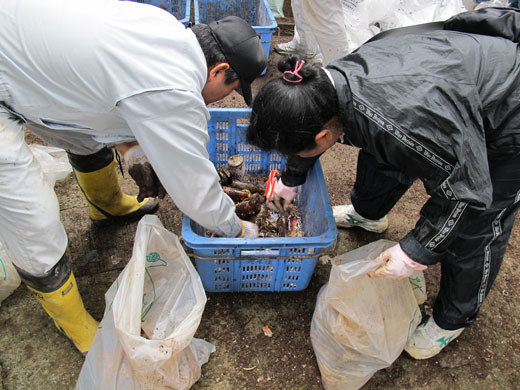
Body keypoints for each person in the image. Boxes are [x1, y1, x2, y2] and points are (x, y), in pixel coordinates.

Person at [246, 7, 520, 359]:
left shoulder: (406, 120)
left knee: (478, 227)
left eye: (299, 150)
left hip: (506, 110)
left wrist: (416, 250)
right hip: (445, 87)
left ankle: (454, 319)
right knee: (381, 151)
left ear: (324, 134)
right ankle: (369, 214)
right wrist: (291, 178)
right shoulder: (327, 88)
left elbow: (467, 194)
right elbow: (322, 131)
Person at [0, 0, 266, 353]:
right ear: (219, 70)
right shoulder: (174, 90)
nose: (223, 99)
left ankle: (106, 207)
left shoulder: (166, 28)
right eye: (230, 90)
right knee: (33, 219)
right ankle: (75, 325)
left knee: (82, 133)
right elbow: (196, 193)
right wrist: (237, 228)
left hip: (25, 54)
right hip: (10, 69)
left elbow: (108, 95)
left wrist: (130, 149)